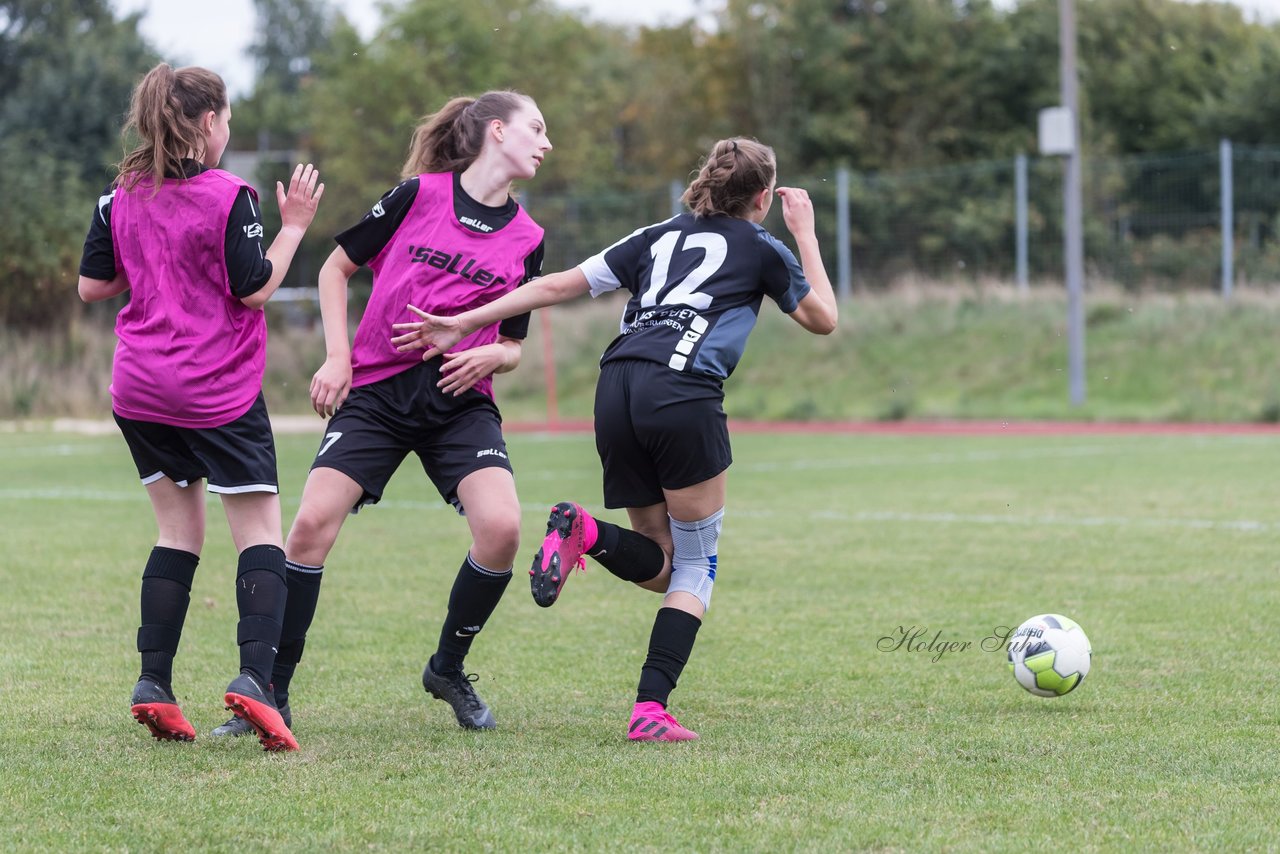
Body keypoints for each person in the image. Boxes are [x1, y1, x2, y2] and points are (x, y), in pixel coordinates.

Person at [390, 137, 838, 741]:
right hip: (682, 391)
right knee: (698, 565)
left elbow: (555, 287)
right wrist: (804, 233)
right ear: (763, 198)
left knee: (661, 562)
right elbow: (824, 319)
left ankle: (588, 533)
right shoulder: (763, 245)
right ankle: (650, 710)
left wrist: (467, 321)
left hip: (617, 387)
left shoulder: (655, 236)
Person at [212, 90, 550, 737]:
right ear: (498, 132)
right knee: (309, 525)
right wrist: (338, 358)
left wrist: (492, 361)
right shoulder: (416, 197)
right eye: (537, 128)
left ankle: (447, 668)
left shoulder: (529, 238)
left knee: (503, 530)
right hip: (377, 396)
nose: (546, 142)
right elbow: (338, 270)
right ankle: (272, 694)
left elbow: (512, 344)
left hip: (459, 404)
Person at [76, 63, 324, 751]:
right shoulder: (229, 196)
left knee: (178, 533)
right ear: (208, 123)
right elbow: (254, 289)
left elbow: (92, 287)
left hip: (139, 391)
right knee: (261, 533)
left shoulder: (118, 196)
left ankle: (153, 682)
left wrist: (153, 255)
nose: (229, 130)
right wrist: (295, 225)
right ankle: (254, 680)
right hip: (214, 391)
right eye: (229, 120)